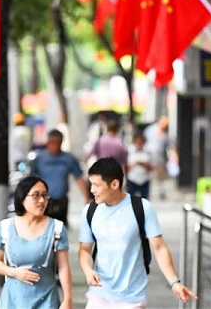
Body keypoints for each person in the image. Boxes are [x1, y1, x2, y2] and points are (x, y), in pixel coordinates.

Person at [79, 158, 197, 308]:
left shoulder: (142, 208)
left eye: (96, 185)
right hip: (99, 296)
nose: (92, 190)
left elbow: (159, 248)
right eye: (91, 184)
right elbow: (84, 250)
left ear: (114, 184)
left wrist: (174, 282)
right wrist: (88, 270)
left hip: (132, 299)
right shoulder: (90, 211)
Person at [0, 176, 72, 309]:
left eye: (45, 195)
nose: (42, 200)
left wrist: (68, 299)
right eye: (36, 195)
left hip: (47, 300)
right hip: (13, 300)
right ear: (22, 198)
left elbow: (63, 267)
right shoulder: (4, 228)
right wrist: (14, 272)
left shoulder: (57, 228)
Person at [30, 129, 89, 227]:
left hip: (61, 201)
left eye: (58, 143)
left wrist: (86, 197)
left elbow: (79, 178)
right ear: (48, 142)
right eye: (52, 143)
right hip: (44, 200)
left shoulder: (68, 159)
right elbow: (31, 180)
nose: (55, 146)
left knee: (60, 229)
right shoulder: (39, 159)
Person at [143, 115, 169, 199]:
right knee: (148, 176)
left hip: (160, 159)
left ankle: (161, 193)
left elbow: (165, 146)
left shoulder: (165, 134)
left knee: (161, 178)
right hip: (149, 157)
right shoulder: (150, 130)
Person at [127, 133, 153, 199]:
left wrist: (144, 164)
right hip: (132, 179)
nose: (139, 143)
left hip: (144, 179)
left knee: (144, 200)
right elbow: (126, 166)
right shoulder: (130, 151)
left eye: (141, 141)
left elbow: (152, 166)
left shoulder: (148, 151)